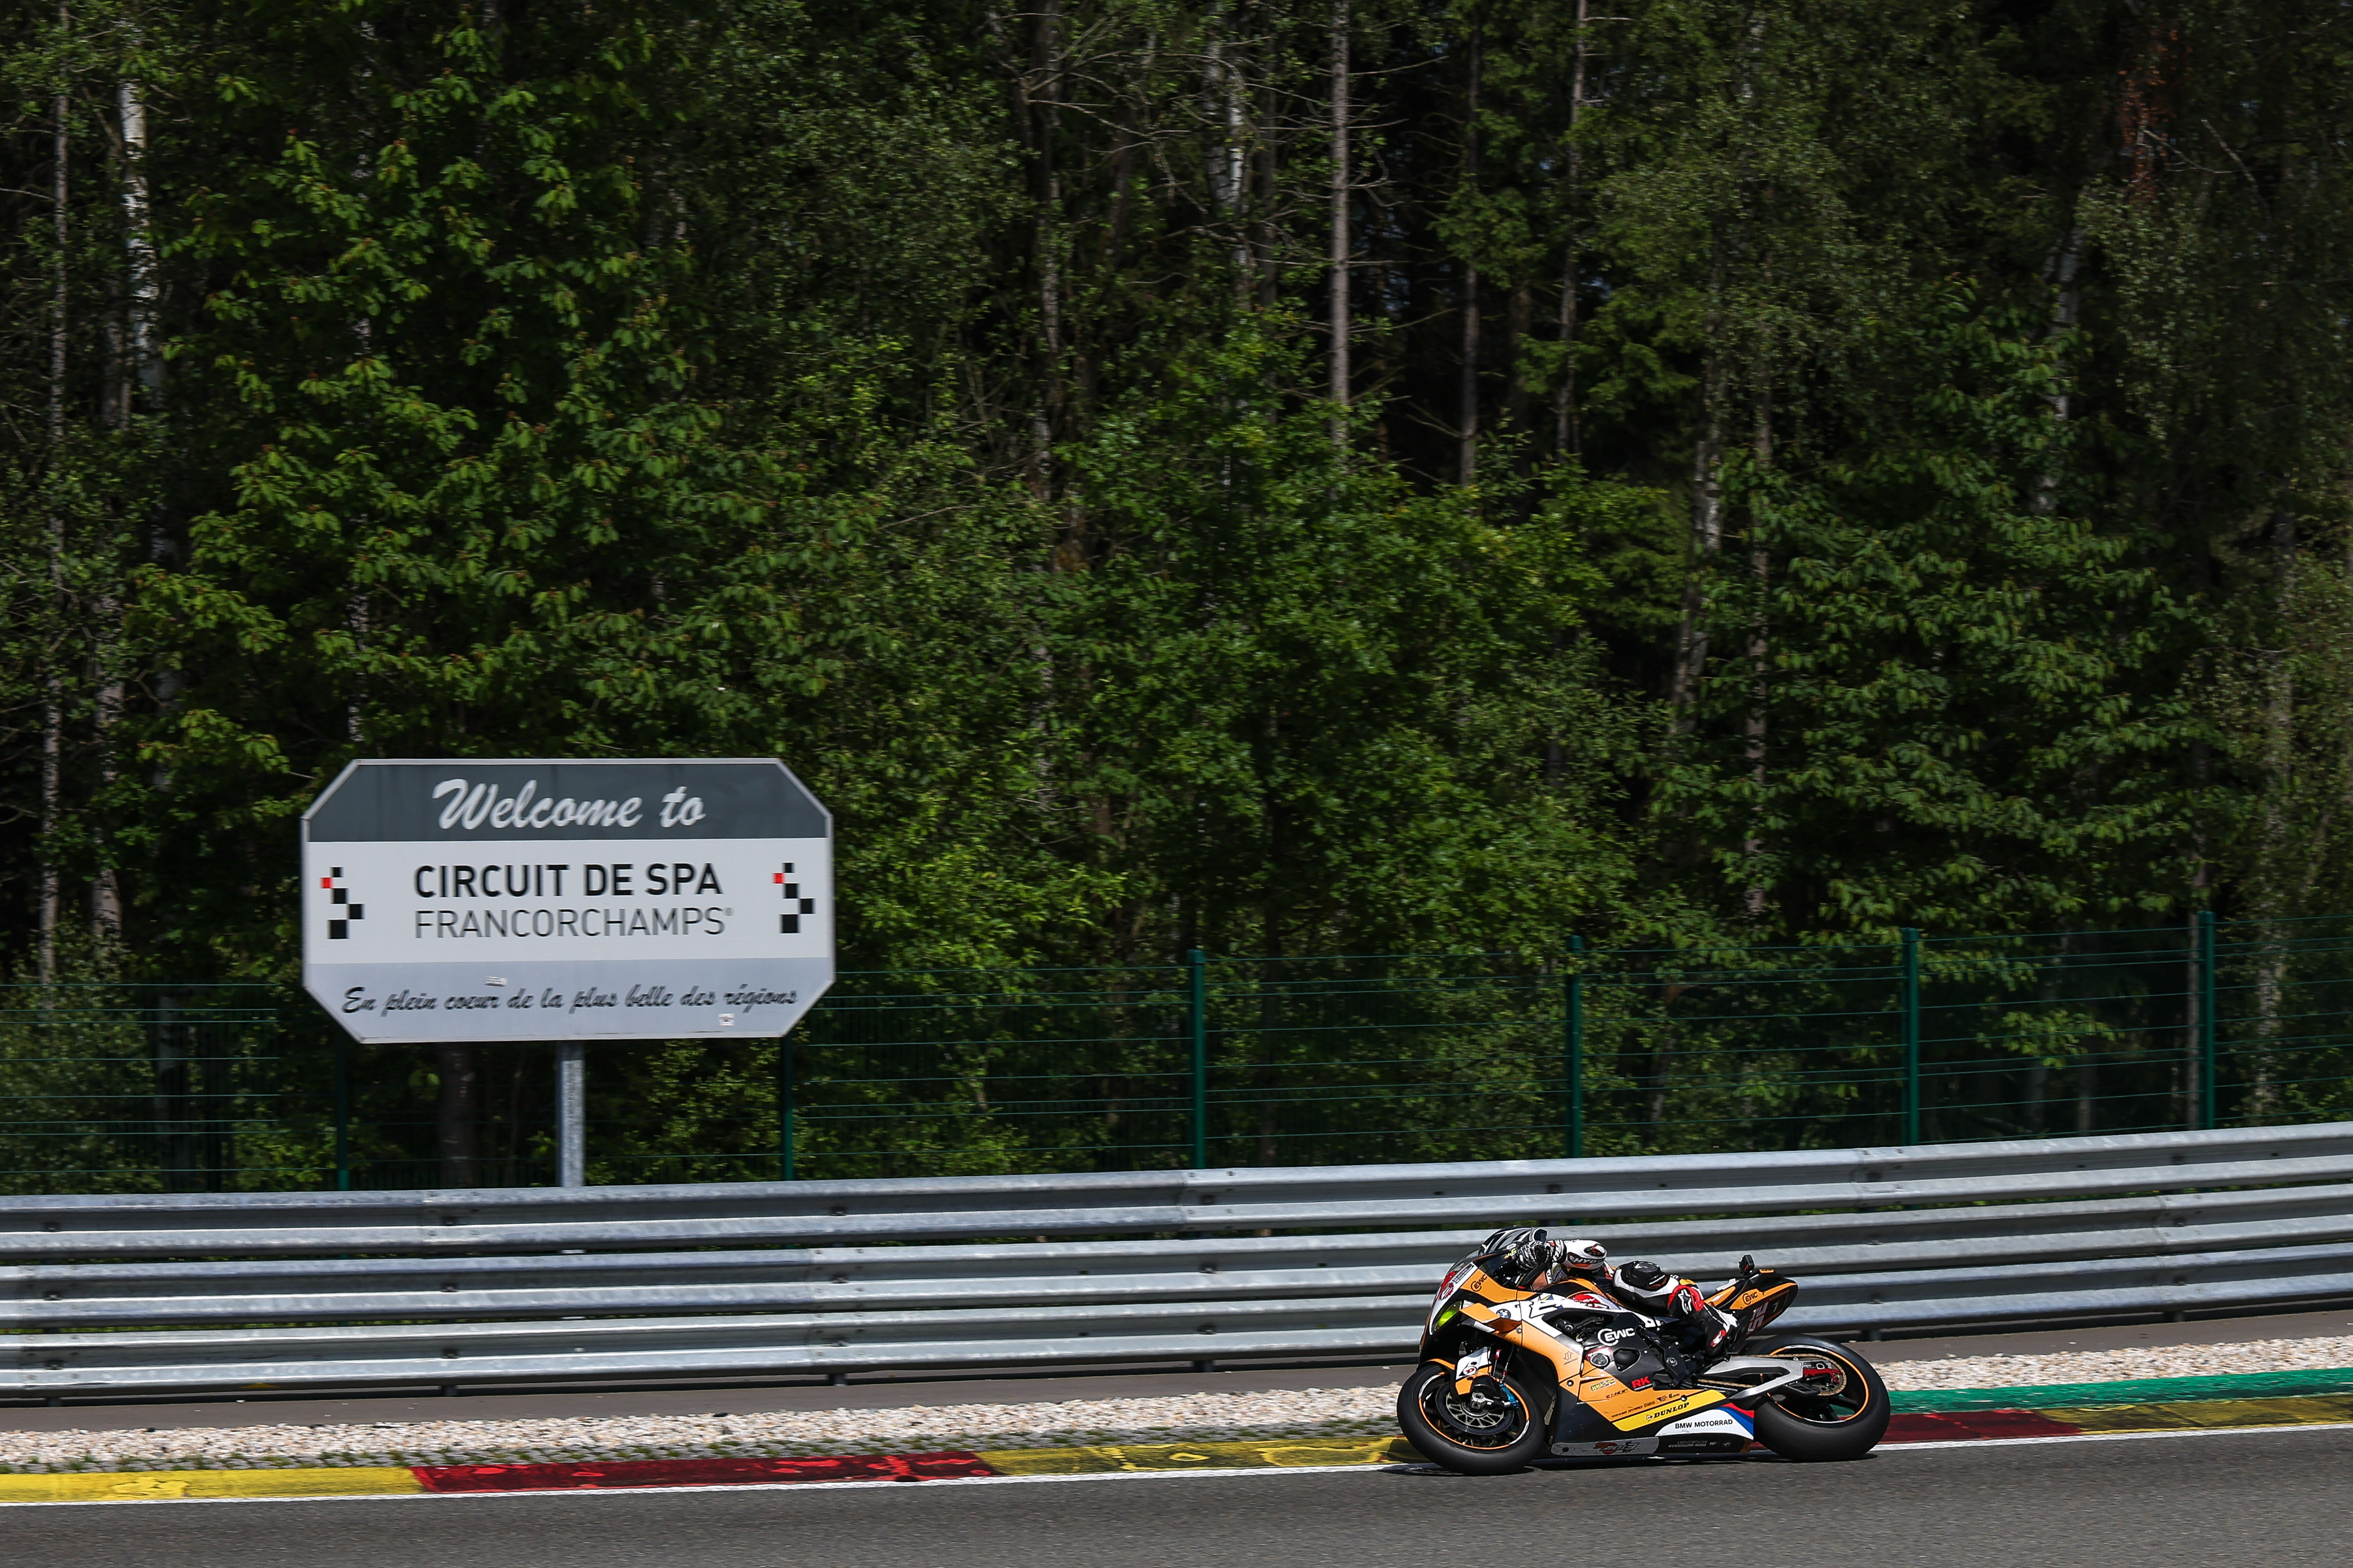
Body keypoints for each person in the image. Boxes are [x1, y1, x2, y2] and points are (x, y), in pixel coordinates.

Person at [1484, 1229, 1739, 1355]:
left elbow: (1596, 1251)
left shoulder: (1564, 1268)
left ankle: (1711, 1320)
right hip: (1618, 1348)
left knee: (1627, 1276)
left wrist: (1554, 1249)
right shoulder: (1531, 1304)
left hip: (1649, 1315)